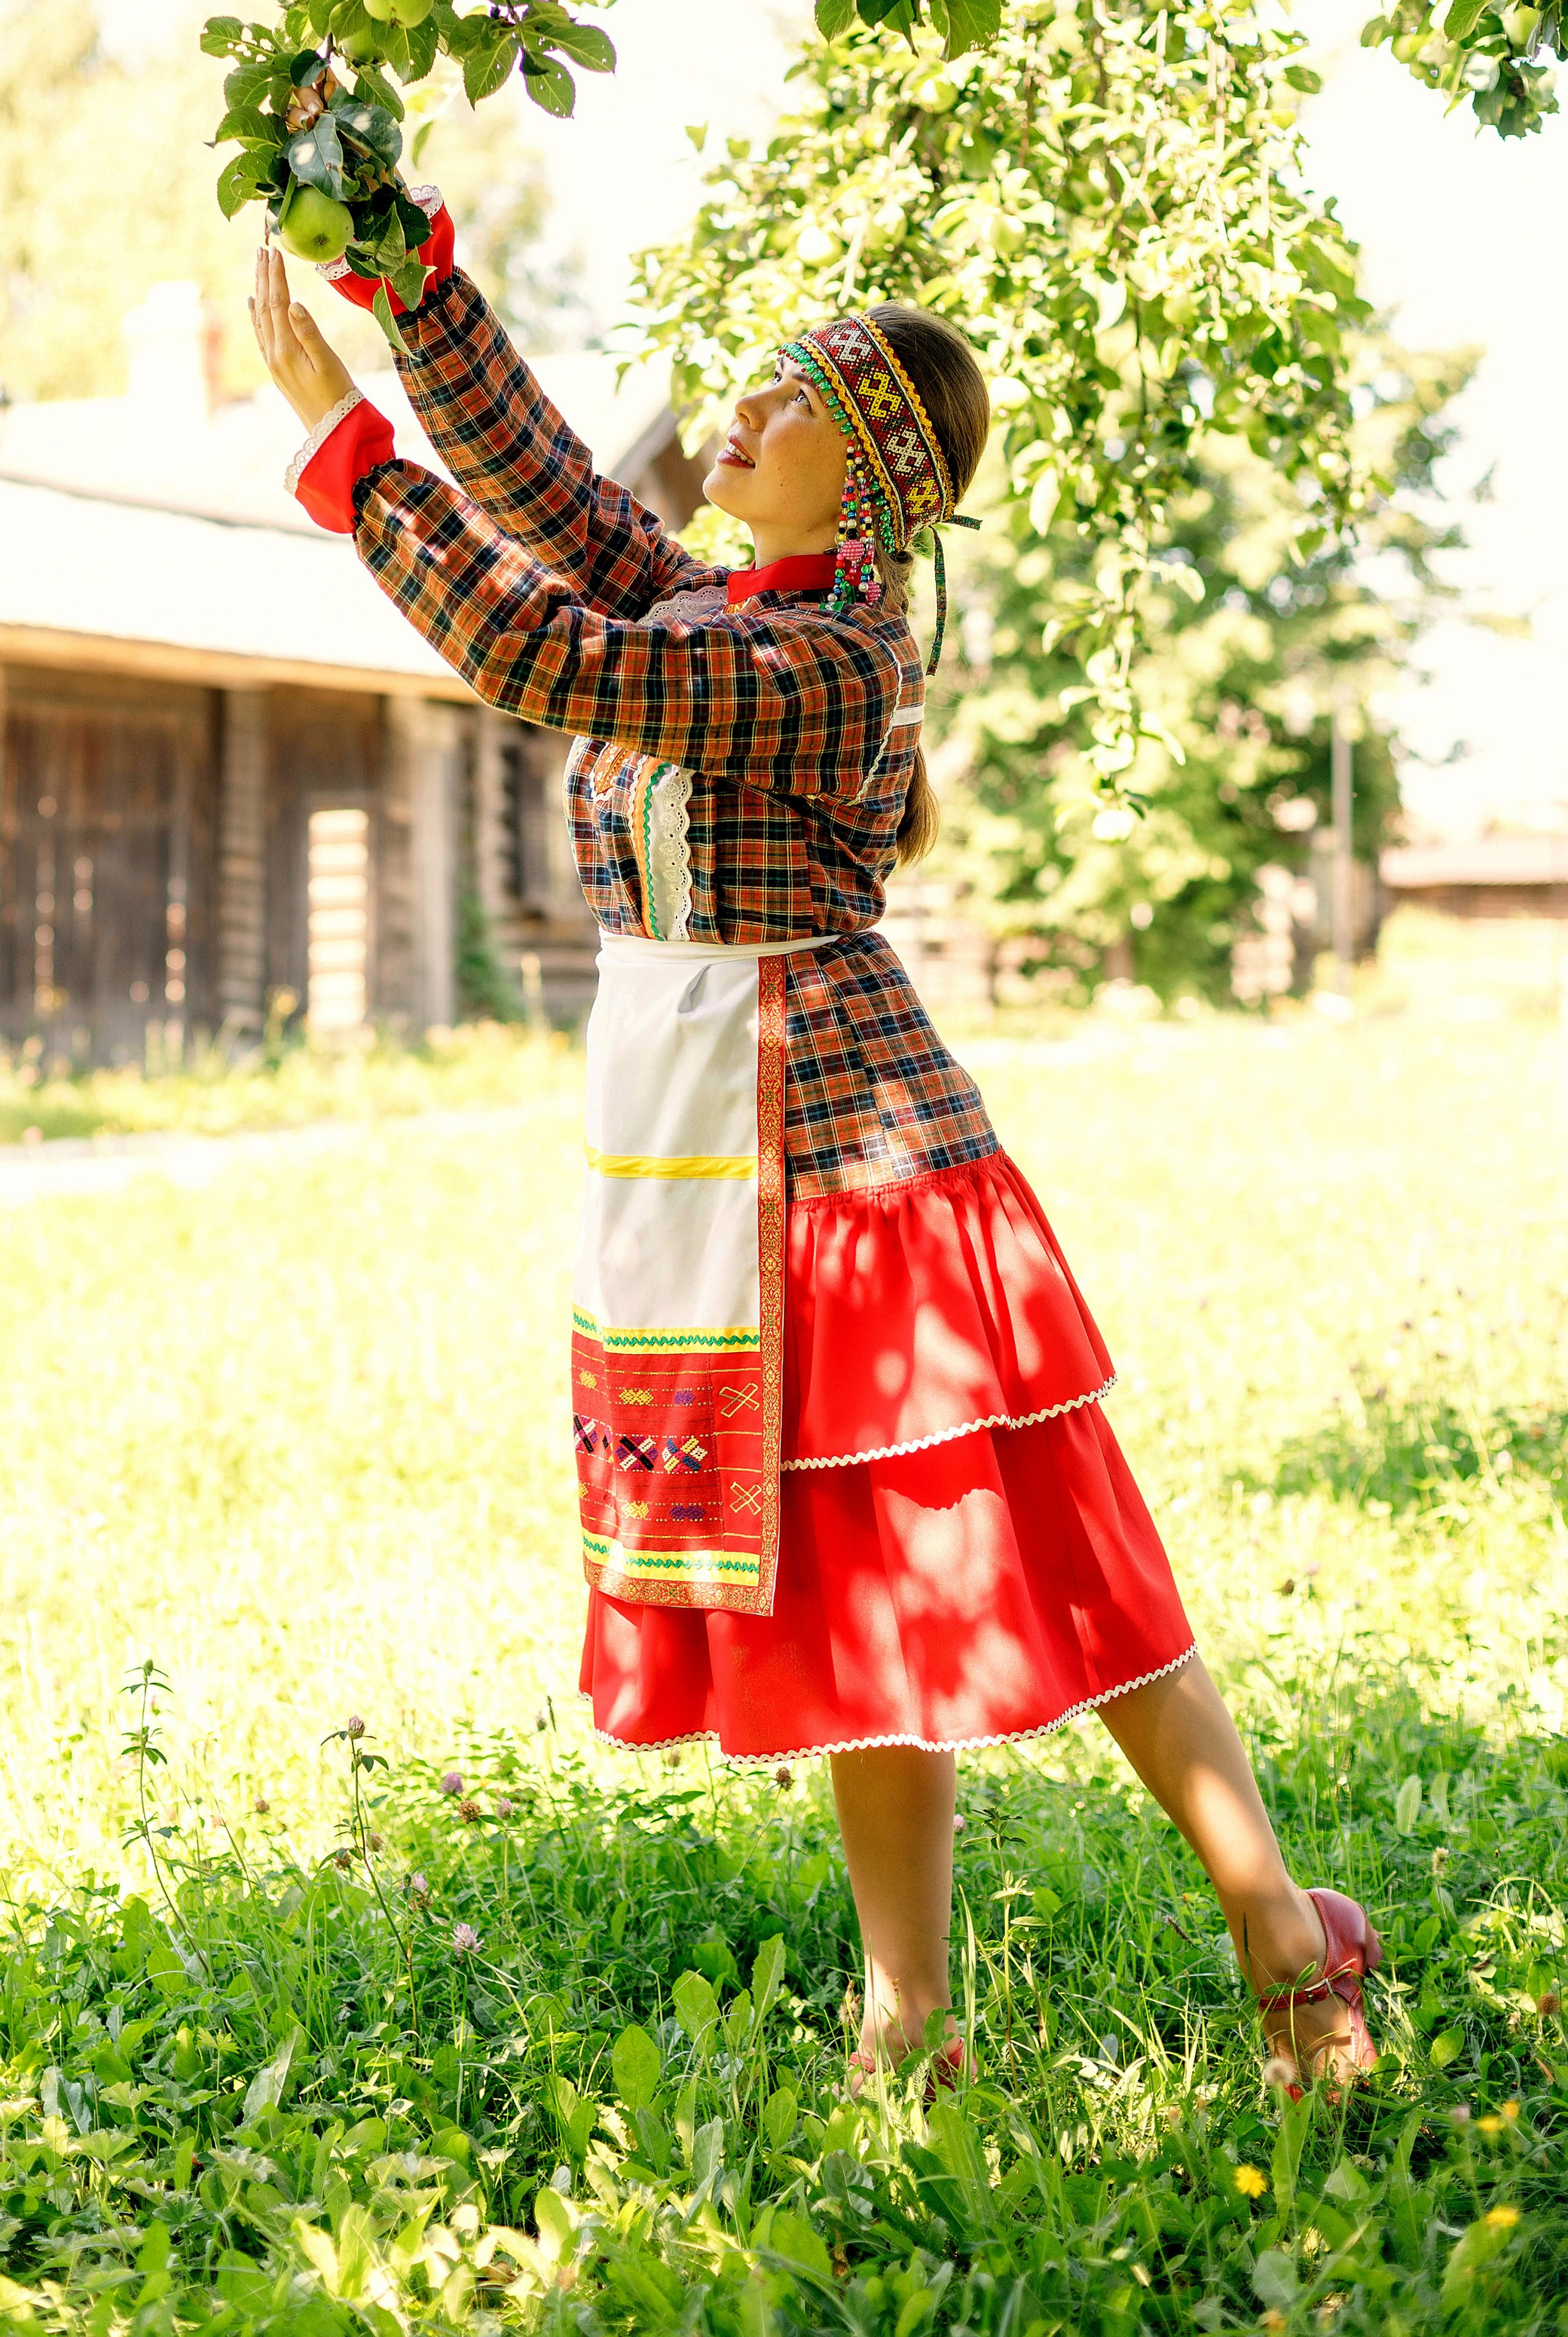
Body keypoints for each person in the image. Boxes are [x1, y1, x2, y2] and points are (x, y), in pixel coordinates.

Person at [249, 200, 1379, 2097]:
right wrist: (408, 283)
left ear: (865, 477)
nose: (725, 426)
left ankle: (1279, 1920)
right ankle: (905, 2019)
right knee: (861, 1597)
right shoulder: (705, 593)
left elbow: (557, 663)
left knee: (1058, 1560)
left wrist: (357, 459)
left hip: (858, 1165)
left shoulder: (840, 658)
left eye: (775, 406)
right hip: (692, 1141)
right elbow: (537, 485)